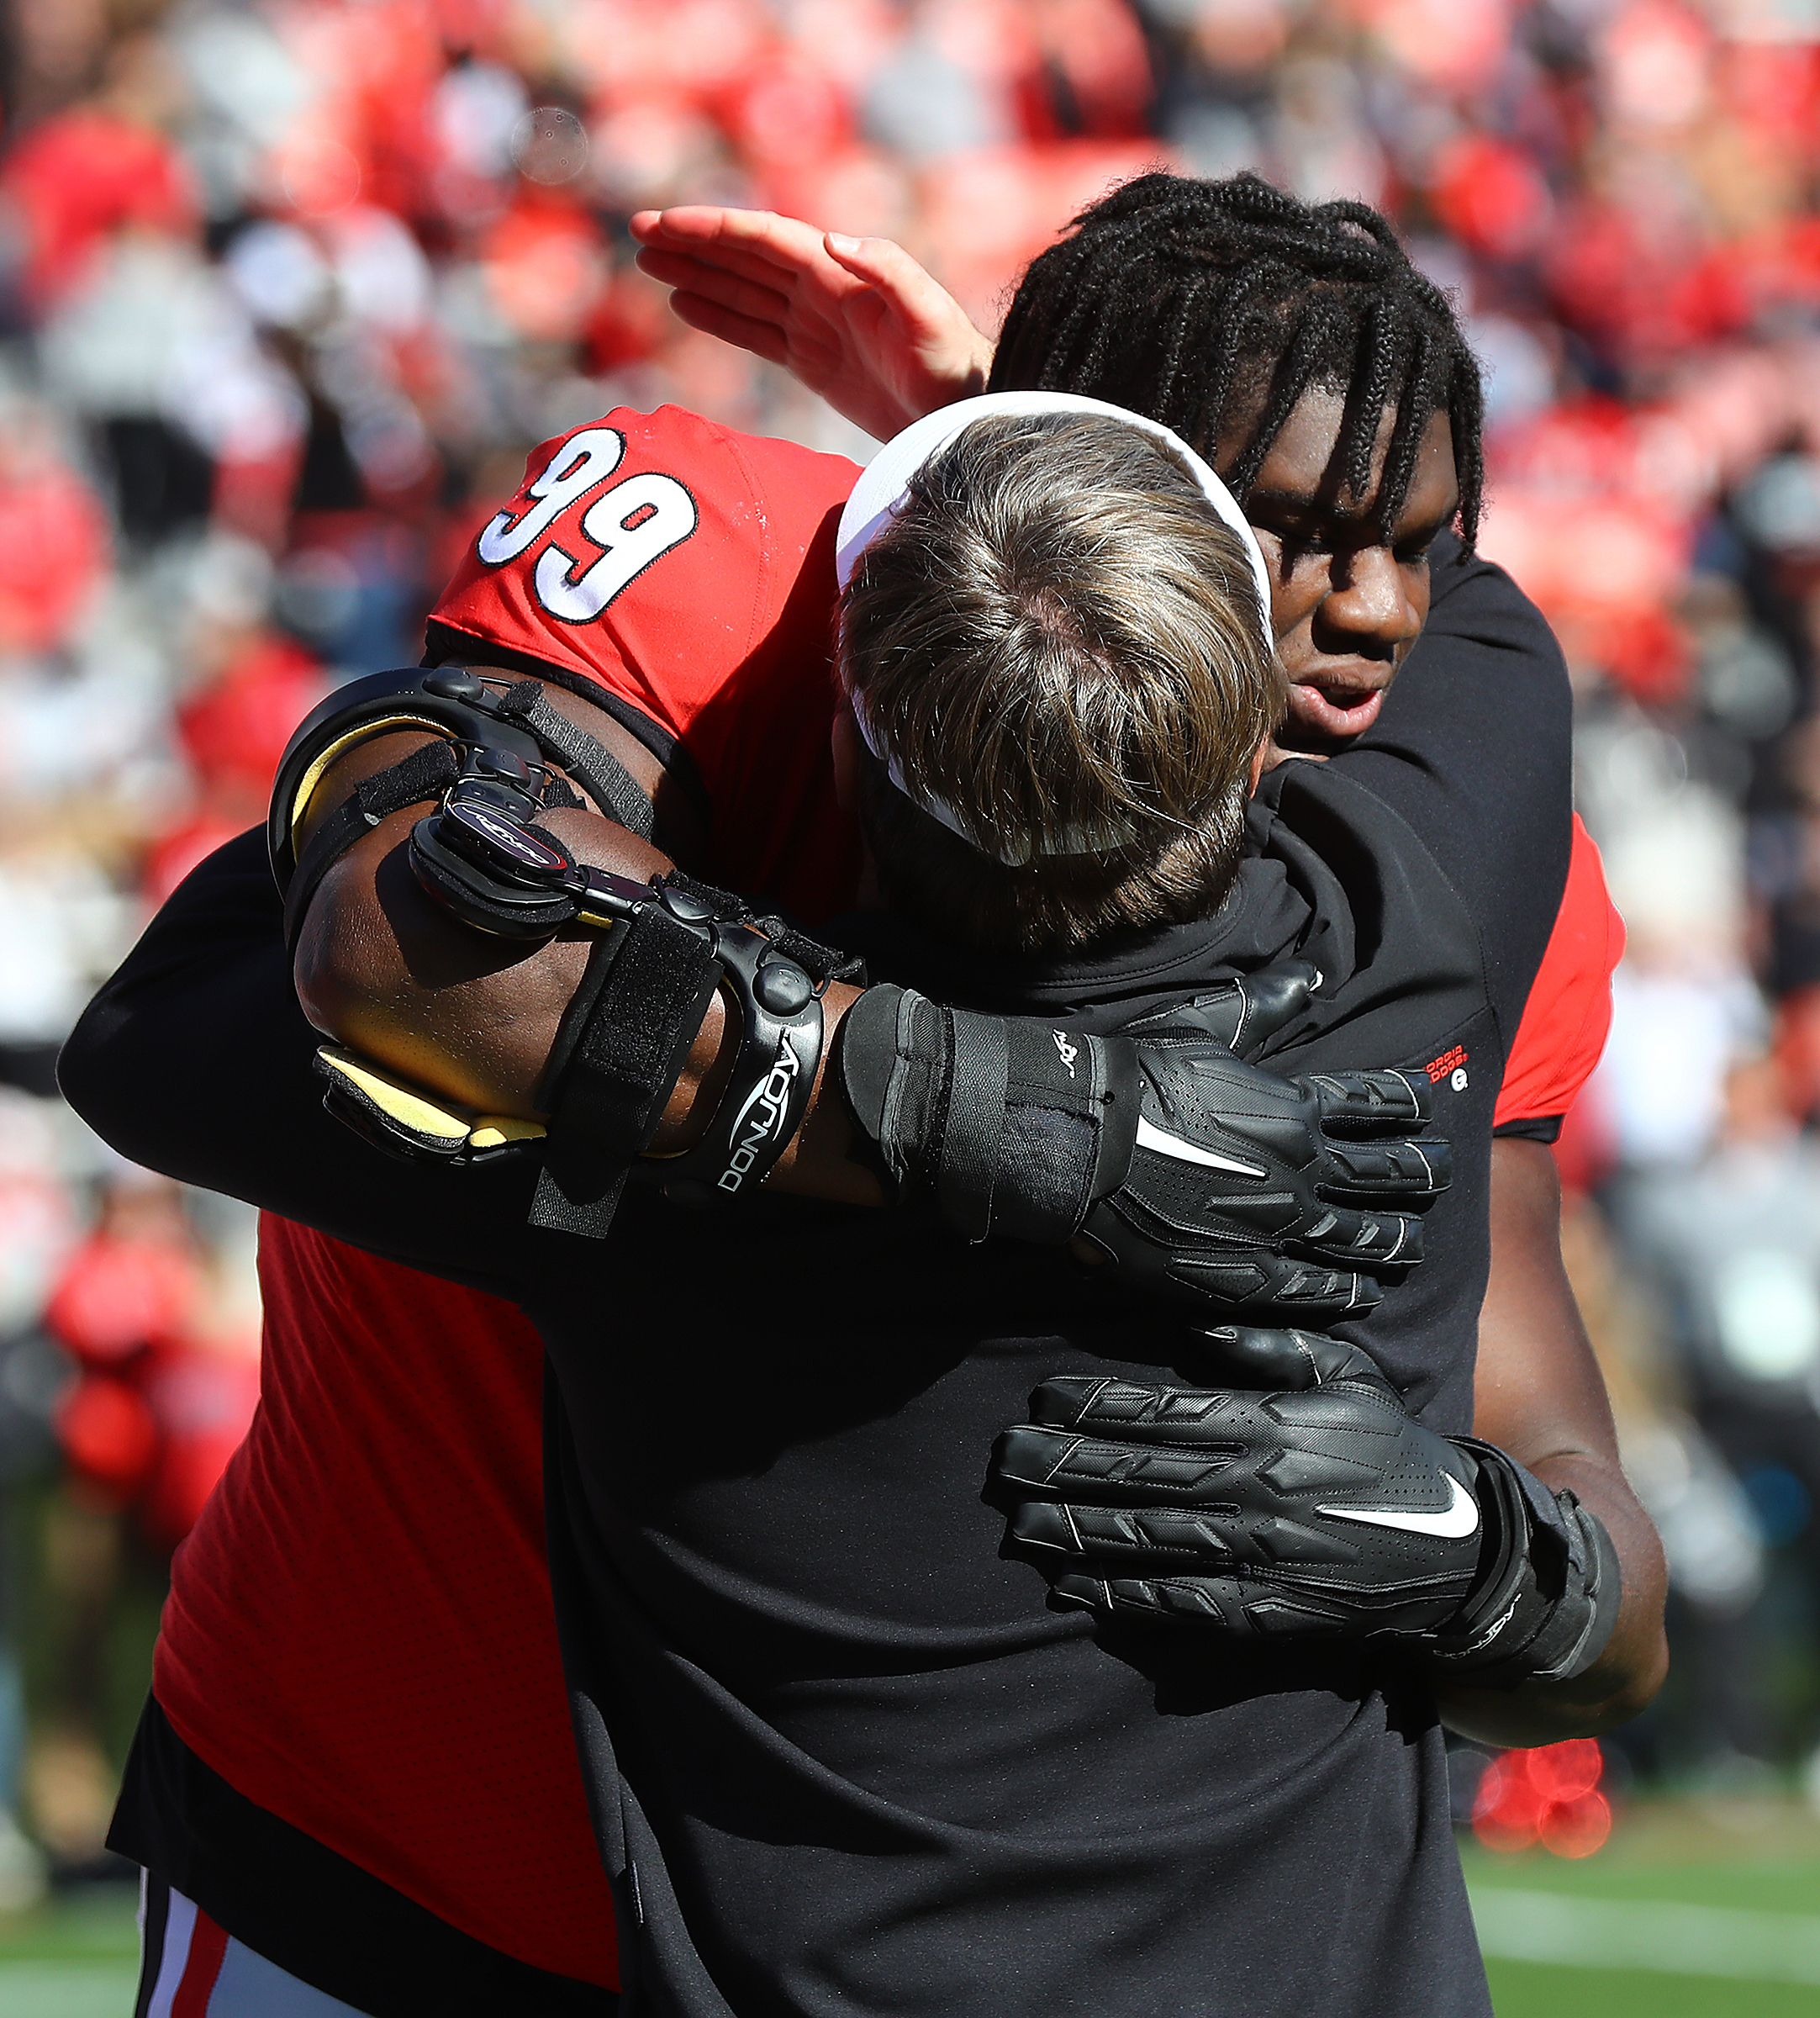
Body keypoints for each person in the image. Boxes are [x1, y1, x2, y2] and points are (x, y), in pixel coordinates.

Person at [59, 174, 1649, 2013]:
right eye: (1273, 525)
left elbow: (1579, 1522)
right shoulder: (729, 573)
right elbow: (382, 959)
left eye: (1414, 548)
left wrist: (1490, 1569)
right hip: (405, 1843)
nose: (1371, 621)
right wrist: (1006, 1112)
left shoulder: (1461, 880)